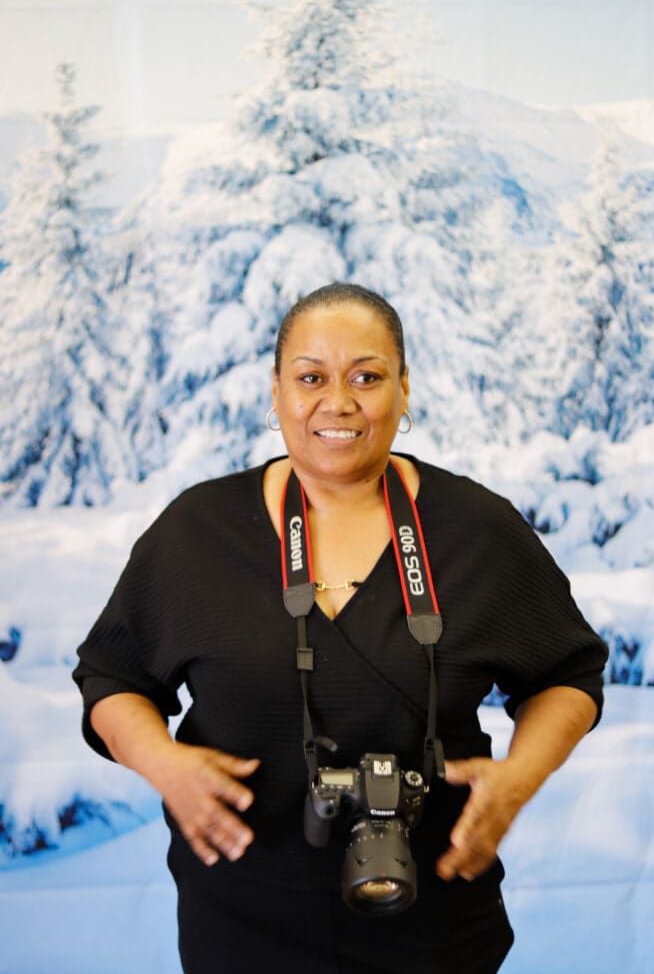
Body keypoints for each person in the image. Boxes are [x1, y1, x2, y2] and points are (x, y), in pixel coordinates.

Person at [73, 282, 608, 974]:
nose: (338, 402)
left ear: (403, 389)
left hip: (436, 919)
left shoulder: (477, 530)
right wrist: (160, 761)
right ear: (275, 392)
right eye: (309, 378)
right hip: (241, 919)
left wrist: (518, 779)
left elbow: (567, 674)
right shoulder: (198, 532)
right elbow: (112, 677)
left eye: (366, 375)